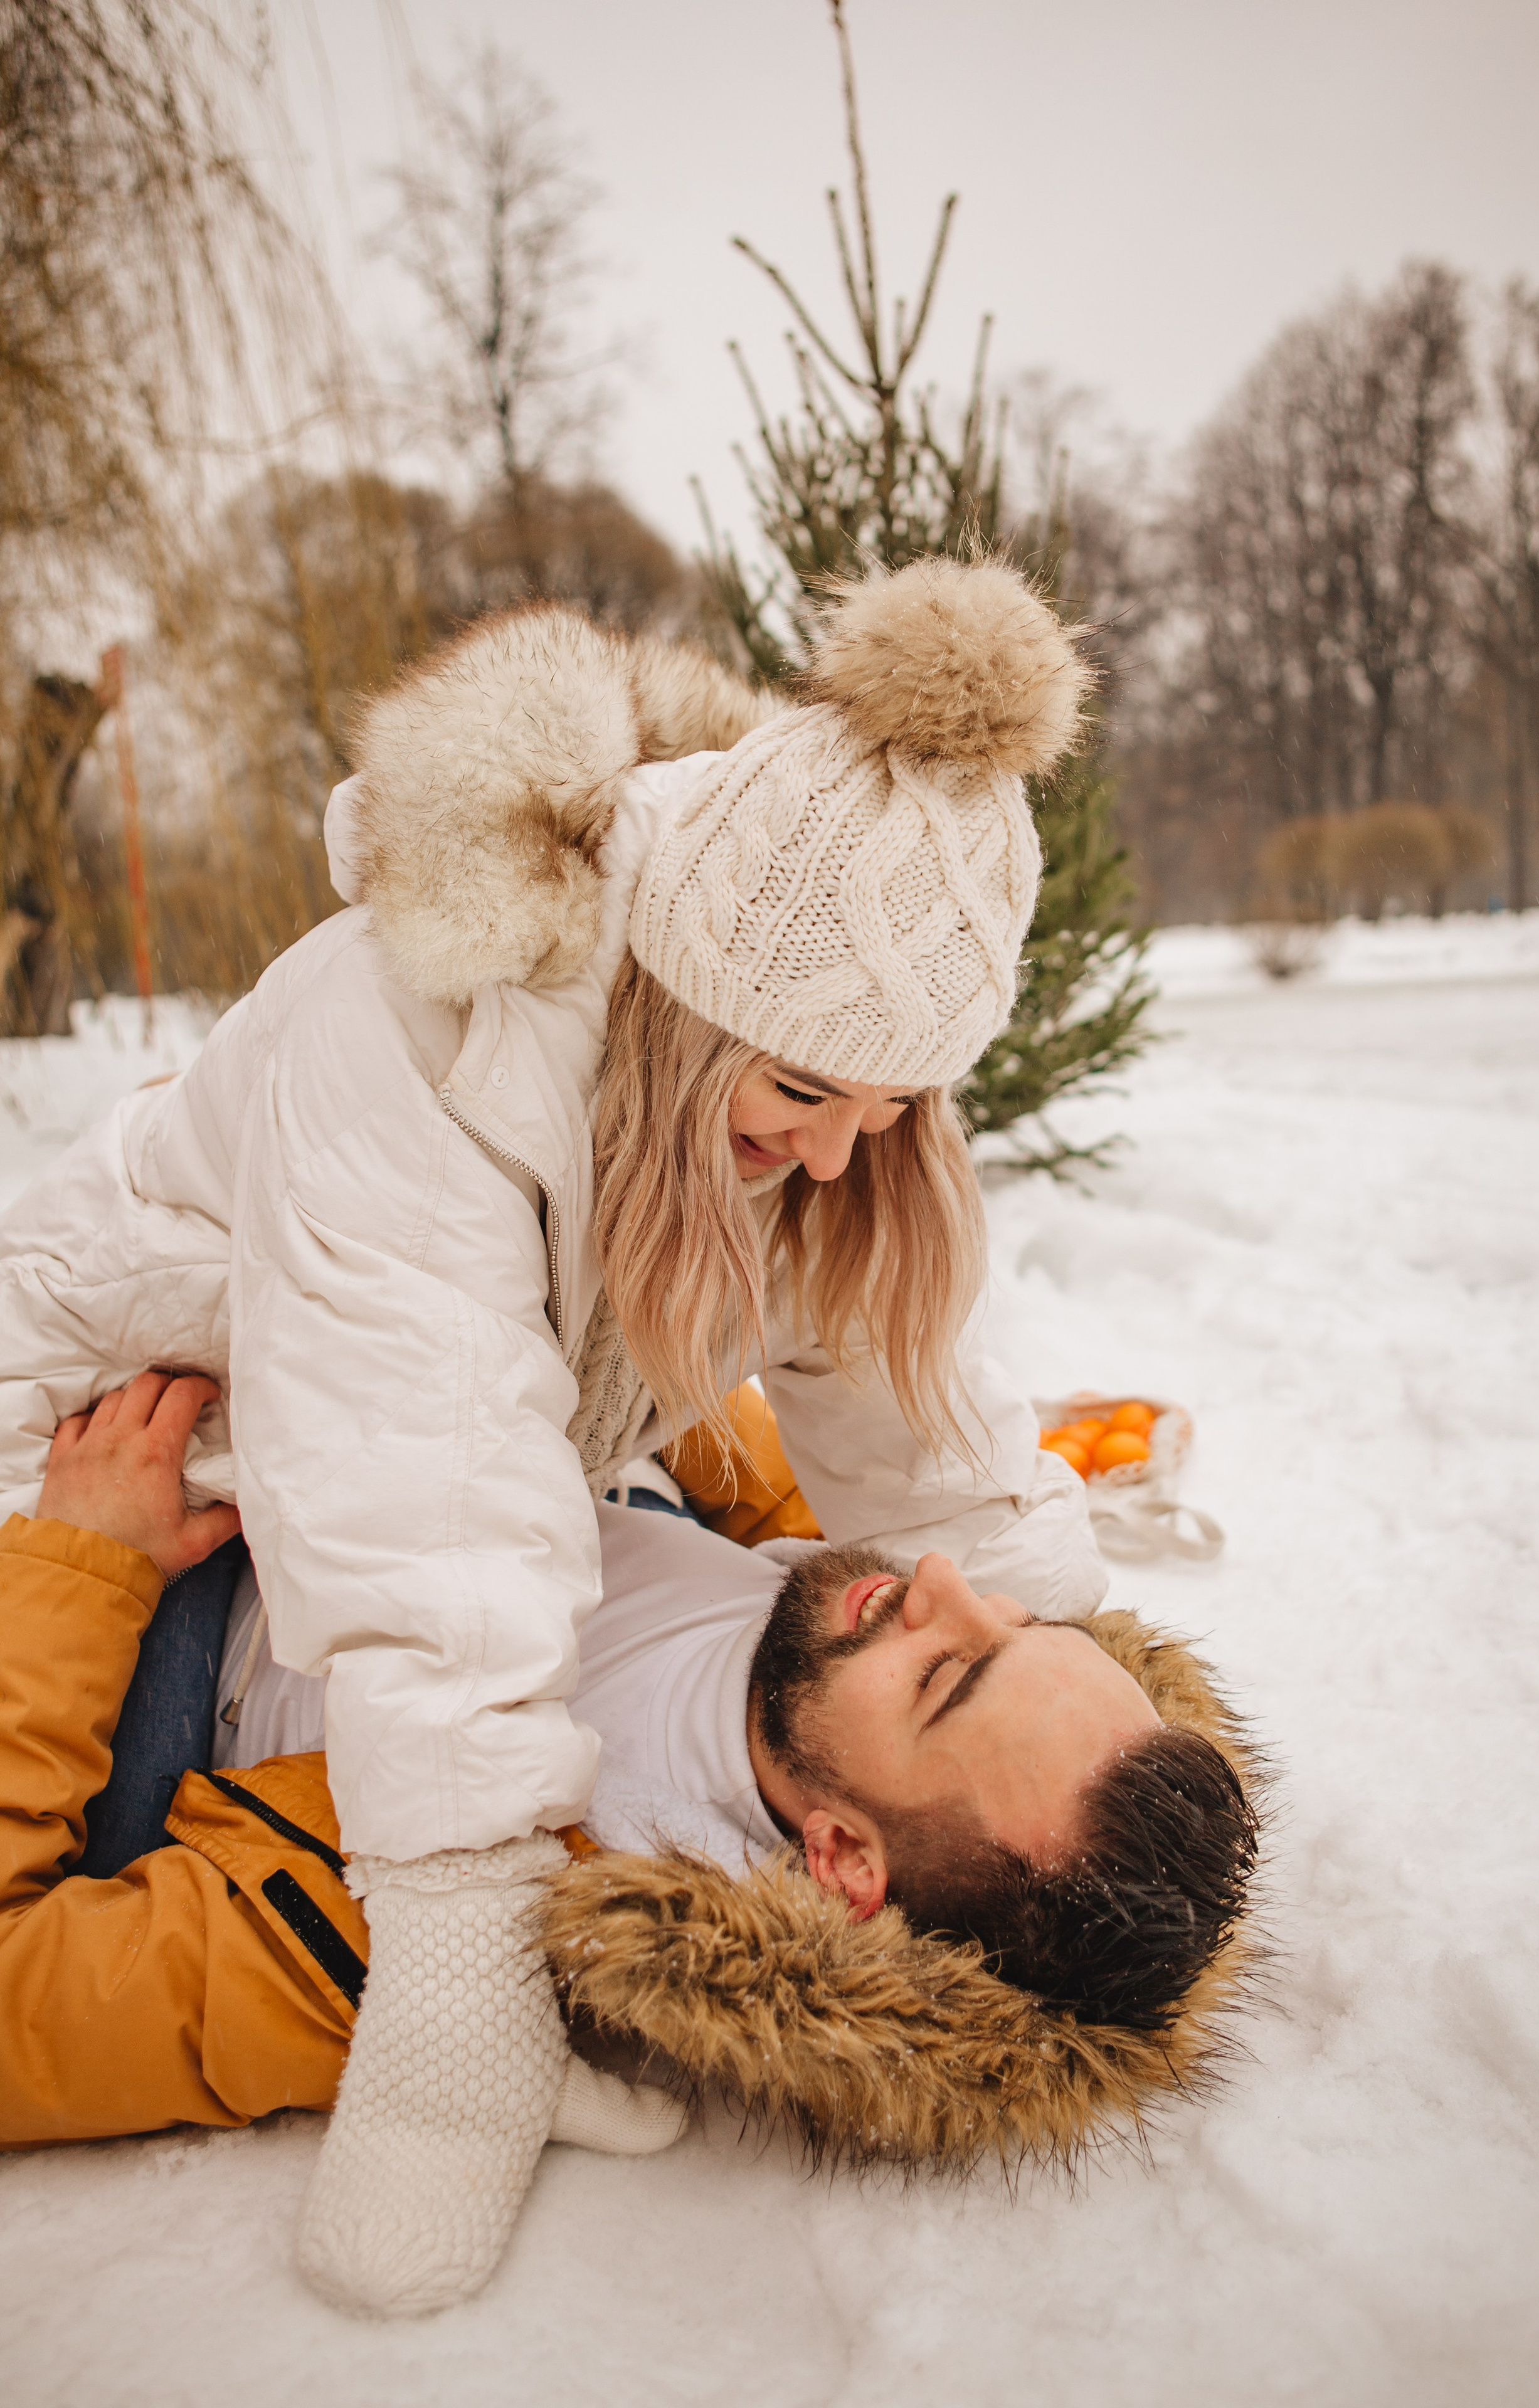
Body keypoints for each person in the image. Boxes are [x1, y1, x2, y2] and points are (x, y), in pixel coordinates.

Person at [0, 557, 1105, 2311]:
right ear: (681, 1013)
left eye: (891, 1108)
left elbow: (912, 1413)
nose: (837, 1150)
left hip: (376, 1497)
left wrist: (1084, 1690)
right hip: (133, 1476)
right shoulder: (419, 1028)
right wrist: (464, 1953)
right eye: (805, 1090)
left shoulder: (794, 1118)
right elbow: (421, 1466)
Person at [2, 1376, 1256, 2195]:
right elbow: (777, 1463)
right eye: (1010, 1618)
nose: (935, 1584)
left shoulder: (483, 1894)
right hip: (462, 1463)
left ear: (842, 1861)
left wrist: (84, 1564)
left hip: (175, 1621)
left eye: (943, 1675)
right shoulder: (828, 1646)